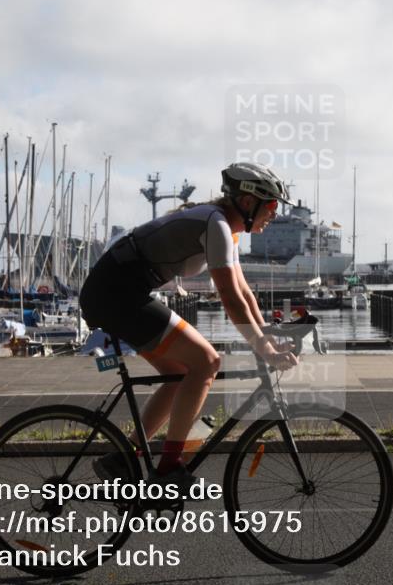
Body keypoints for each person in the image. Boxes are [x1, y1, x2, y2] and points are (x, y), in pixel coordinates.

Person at [80, 161, 299, 489]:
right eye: (272, 206)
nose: (275, 214)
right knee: (207, 361)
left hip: (120, 291)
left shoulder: (225, 228)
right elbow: (228, 296)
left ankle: (123, 458)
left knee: (183, 372)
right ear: (249, 202)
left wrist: (266, 337)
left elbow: (242, 292)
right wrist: (263, 348)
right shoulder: (217, 225)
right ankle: (169, 468)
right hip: (116, 293)